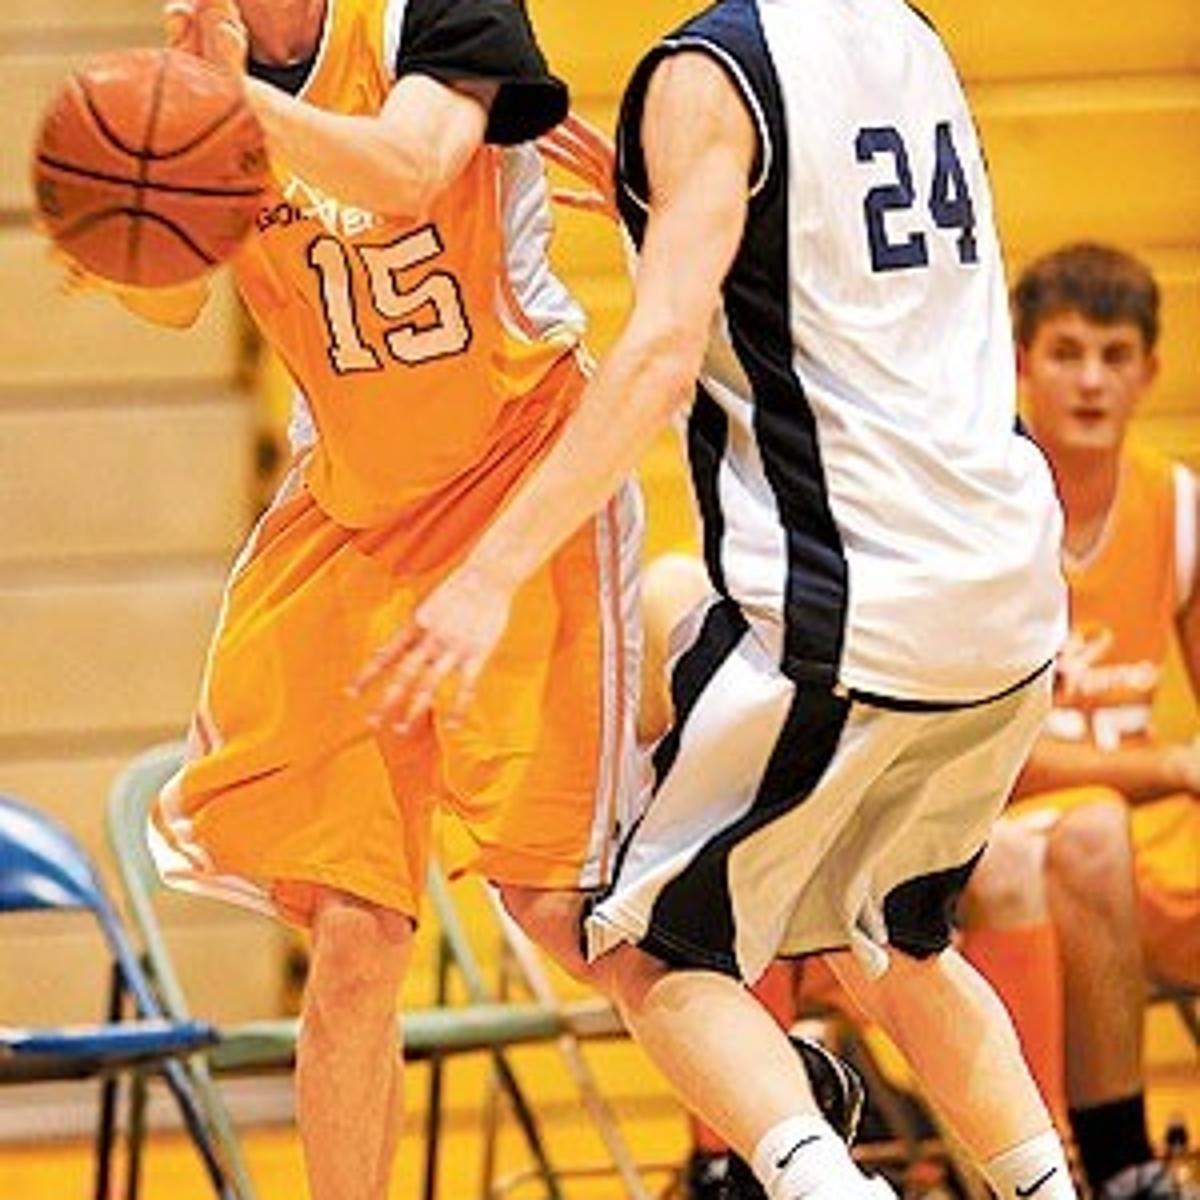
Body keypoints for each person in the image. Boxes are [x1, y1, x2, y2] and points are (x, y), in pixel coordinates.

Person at [361, 1, 1082, 1198]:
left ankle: (813, 1166)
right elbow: (829, 248)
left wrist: (487, 576)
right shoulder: (906, 32)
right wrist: (652, 195)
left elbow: (657, 354)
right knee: (887, 932)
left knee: (649, 948)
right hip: (1007, 588)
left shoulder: (708, 73)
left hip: (862, 604)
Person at [101, 2, 646, 1198]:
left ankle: (781, 1095)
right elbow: (170, 305)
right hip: (359, 519)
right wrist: (140, 186)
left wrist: (234, 107)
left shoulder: (434, 15)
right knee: (354, 937)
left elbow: (406, 172)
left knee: (558, 906)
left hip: (525, 478)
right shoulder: (198, 69)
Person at [960, 242, 1200, 1200]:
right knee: (1092, 835)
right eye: (1066, 353)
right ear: (1019, 363)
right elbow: (990, 759)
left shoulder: (1177, 507)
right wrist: (1171, 766)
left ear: (1150, 370)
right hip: (1011, 834)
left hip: (1147, 840)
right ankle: (1117, 1165)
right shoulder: (978, 504)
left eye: (1113, 354)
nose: (1092, 380)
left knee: (1107, 832)